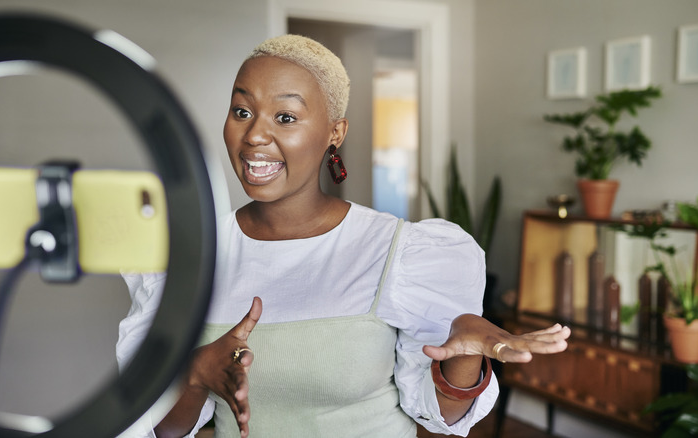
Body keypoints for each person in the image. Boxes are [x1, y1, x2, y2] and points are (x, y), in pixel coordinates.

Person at [116, 34, 570, 438]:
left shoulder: (398, 252)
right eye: (242, 111)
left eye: (285, 117)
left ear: (335, 133)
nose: (254, 135)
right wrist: (197, 374)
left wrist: (464, 357)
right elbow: (162, 430)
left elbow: (440, 417)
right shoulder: (193, 257)